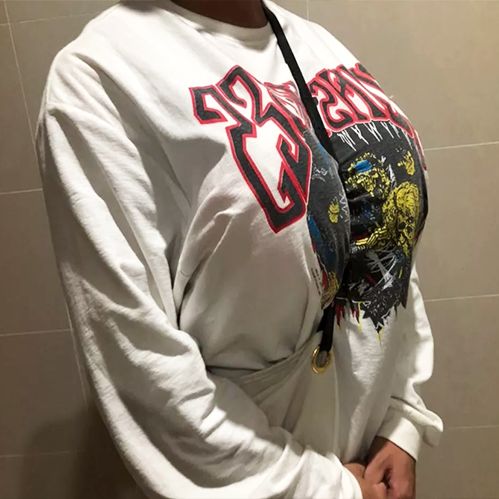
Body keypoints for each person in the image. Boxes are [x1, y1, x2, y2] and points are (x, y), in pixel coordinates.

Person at [35, 0, 444, 497]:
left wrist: (403, 419)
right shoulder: (98, 80)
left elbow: (385, 235)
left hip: (373, 467)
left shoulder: (313, 43)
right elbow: (145, 376)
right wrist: (332, 490)